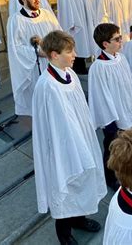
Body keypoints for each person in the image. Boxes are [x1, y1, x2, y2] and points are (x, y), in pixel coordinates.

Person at [32, 30, 106, 245]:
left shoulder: (69, 74)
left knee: (83, 181)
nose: (75, 54)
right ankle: (64, 235)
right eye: (69, 51)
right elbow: (51, 126)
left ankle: (79, 218)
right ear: (54, 55)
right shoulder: (46, 86)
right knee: (64, 187)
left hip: (81, 140)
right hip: (61, 147)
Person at [88, 23, 132, 190]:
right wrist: (111, 122)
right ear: (105, 44)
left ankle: (125, 172)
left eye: (120, 37)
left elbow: (128, 80)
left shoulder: (121, 58)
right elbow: (100, 97)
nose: (120, 41)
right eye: (116, 39)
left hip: (126, 109)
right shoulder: (98, 67)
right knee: (112, 149)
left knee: (127, 146)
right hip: (112, 118)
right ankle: (110, 177)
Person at [7, 0, 62, 116]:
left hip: (54, 63)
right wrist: (38, 52)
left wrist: (54, 49)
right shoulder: (16, 20)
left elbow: (59, 35)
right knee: (41, 105)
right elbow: (16, 48)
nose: (37, 0)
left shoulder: (47, 14)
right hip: (34, 67)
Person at [57, 0, 97, 74]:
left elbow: (87, 3)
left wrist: (90, 17)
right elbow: (65, 5)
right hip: (73, 20)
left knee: (84, 41)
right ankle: (76, 67)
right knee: (75, 42)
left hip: (84, 18)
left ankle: (83, 64)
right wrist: (72, 21)